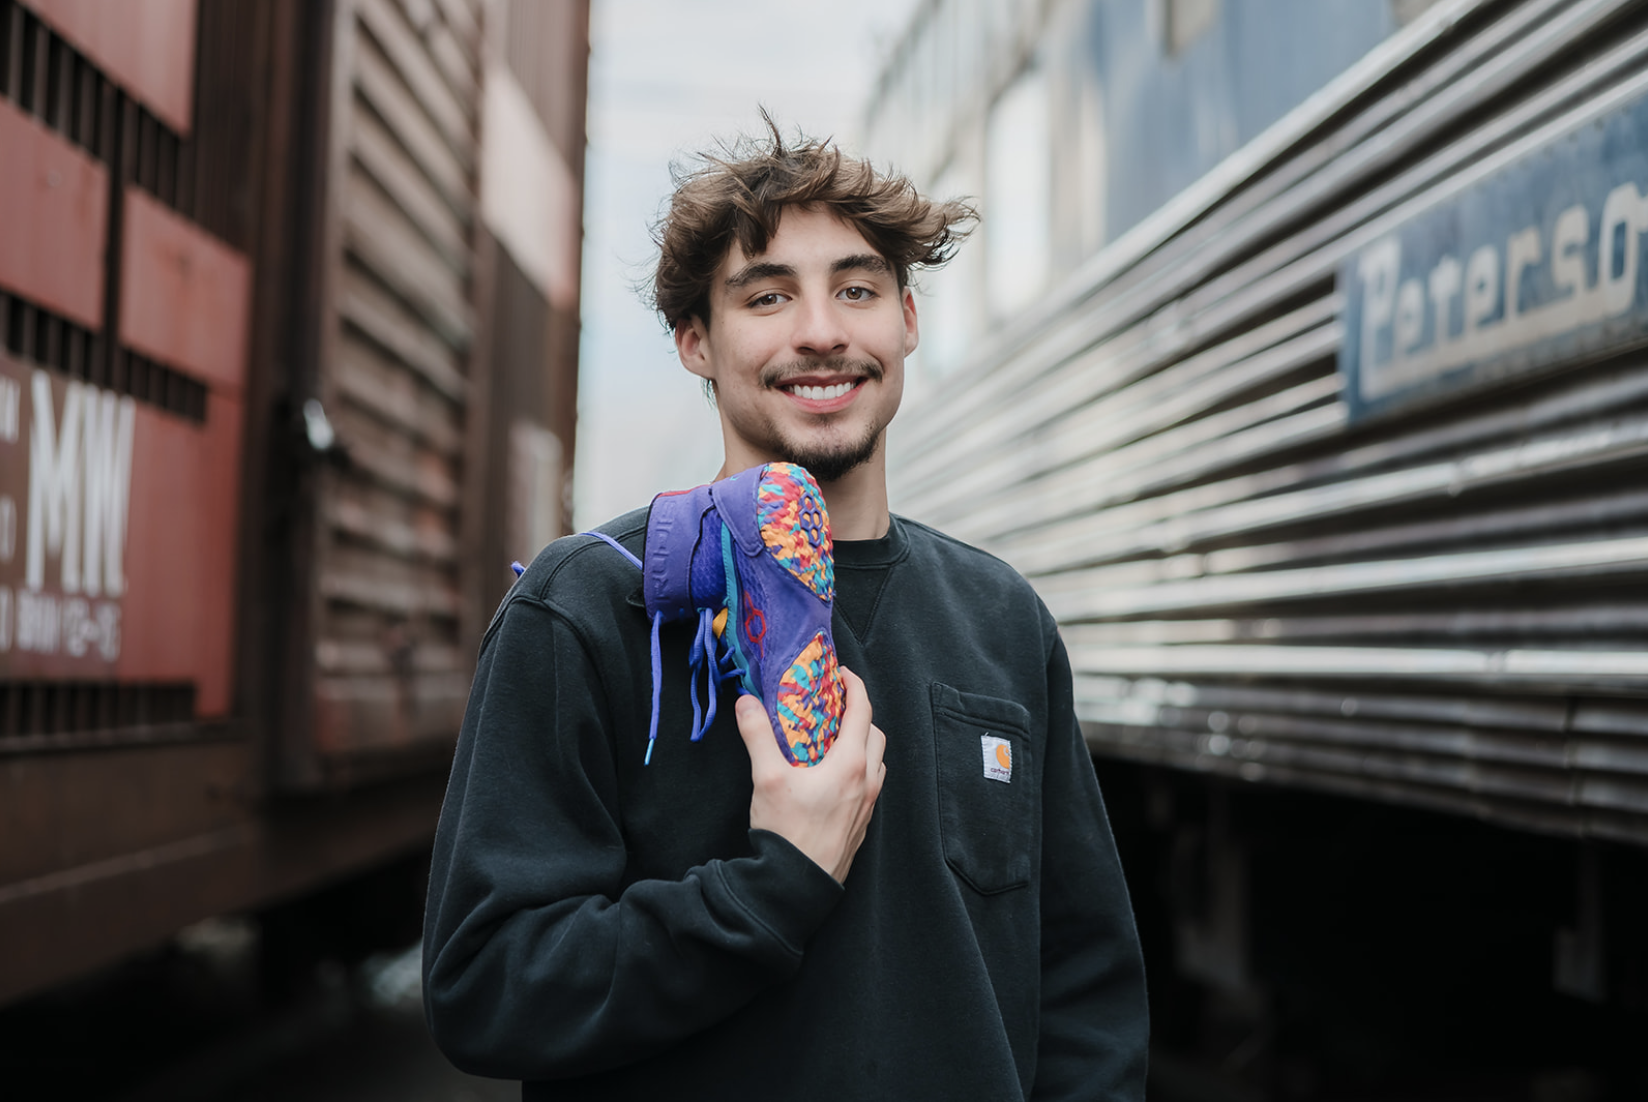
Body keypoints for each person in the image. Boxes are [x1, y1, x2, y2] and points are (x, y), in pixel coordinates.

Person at [422, 121, 1149, 1101]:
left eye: (857, 289)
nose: (821, 331)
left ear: (907, 322)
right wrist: (773, 885)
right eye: (767, 296)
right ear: (695, 341)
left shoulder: (1001, 617)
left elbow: (1085, 986)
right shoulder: (587, 608)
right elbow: (486, 987)